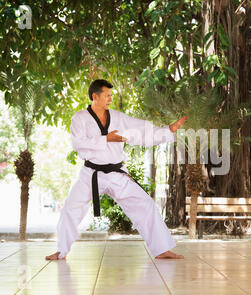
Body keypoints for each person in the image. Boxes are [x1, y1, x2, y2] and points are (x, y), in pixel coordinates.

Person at [45, 79, 186, 260]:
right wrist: (106, 139)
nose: (110, 99)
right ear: (94, 96)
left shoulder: (118, 118)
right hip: (91, 174)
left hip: (116, 173)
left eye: (111, 95)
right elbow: (78, 144)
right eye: (106, 95)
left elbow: (141, 131)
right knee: (70, 209)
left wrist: (168, 130)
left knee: (146, 205)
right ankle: (61, 251)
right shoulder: (79, 118)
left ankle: (161, 249)